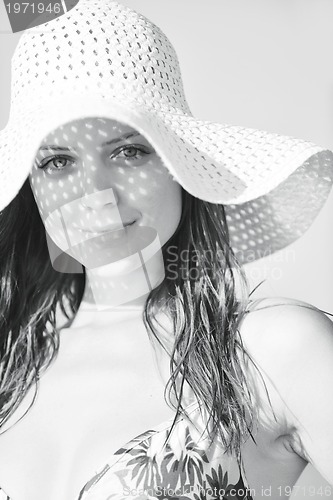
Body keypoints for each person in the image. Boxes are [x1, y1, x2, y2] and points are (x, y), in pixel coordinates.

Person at [0, 1, 332, 499]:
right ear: (31, 187)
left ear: (181, 165)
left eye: (128, 152)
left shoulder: (272, 352)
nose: (97, 193)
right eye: (57, 162)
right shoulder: (8, 362)